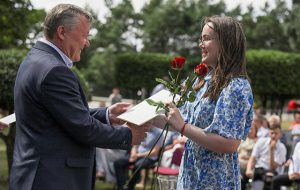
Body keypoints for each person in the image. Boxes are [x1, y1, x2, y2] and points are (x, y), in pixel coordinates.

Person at [9, 4, 148, 190]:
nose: (87, 42)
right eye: (85, 35)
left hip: (37, 175)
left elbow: (61, 114)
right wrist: (129, 136)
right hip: (53, 179)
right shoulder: (55, 70)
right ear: (62, 32)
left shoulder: (35, 59)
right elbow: (84, 128)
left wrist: (106, 114)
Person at [153, 15, 254, 189]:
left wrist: (183, 127)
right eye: (200, 39)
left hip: (215, 181)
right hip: (191, 174)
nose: (200, 44)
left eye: (206, 39)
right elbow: (177, 120)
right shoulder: (203, 80)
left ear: (226, 42)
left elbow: (229, 144)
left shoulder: (236, 86)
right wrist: (144, 117)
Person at [246, 124, 287, 190]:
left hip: (273, 172)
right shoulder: (261, 142)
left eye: (276, 133)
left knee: (269, 176)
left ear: (280, 134)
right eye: (272, 133)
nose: (273, 135)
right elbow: (253, 157)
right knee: (255, 174)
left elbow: (272, 167)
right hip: (260, 169)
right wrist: (248, 169)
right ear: (269, 133)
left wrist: (271, 151)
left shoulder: (282, 148)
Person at [238, 121, 257, 190]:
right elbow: (237, 152)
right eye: (249, 129)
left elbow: (257, 156)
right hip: (239, 161)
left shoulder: (257, 142)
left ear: (256, 130)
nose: (250, 131)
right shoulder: (242, 140)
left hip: (249, 164)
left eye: (252, 129)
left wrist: (247, 157)